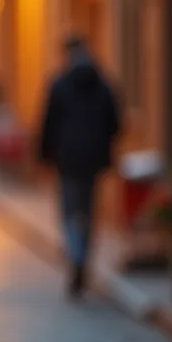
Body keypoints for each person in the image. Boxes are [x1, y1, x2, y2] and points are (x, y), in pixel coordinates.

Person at [38, 36, 121, 299]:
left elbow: (48, 122)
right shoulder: (105, 84)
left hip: (67, 157)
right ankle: (83, 256)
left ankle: (75, 254)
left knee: (69, 208)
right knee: (88, 210)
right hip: (94, 158)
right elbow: (116, 124)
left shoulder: (59, 84)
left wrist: (43, 154)